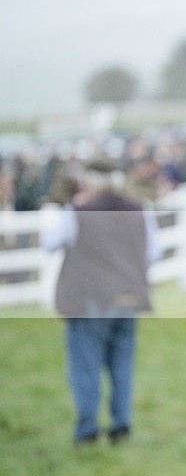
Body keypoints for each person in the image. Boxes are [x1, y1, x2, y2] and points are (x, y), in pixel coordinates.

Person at [42, 157, 160, 445]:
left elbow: (50, 243)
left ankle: (87, 430)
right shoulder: (139, 209)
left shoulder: (77, 211)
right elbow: (152, 252)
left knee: (86, 365)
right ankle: (121, 425)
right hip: (128, 296)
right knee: (122, 364)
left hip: (90, 299)